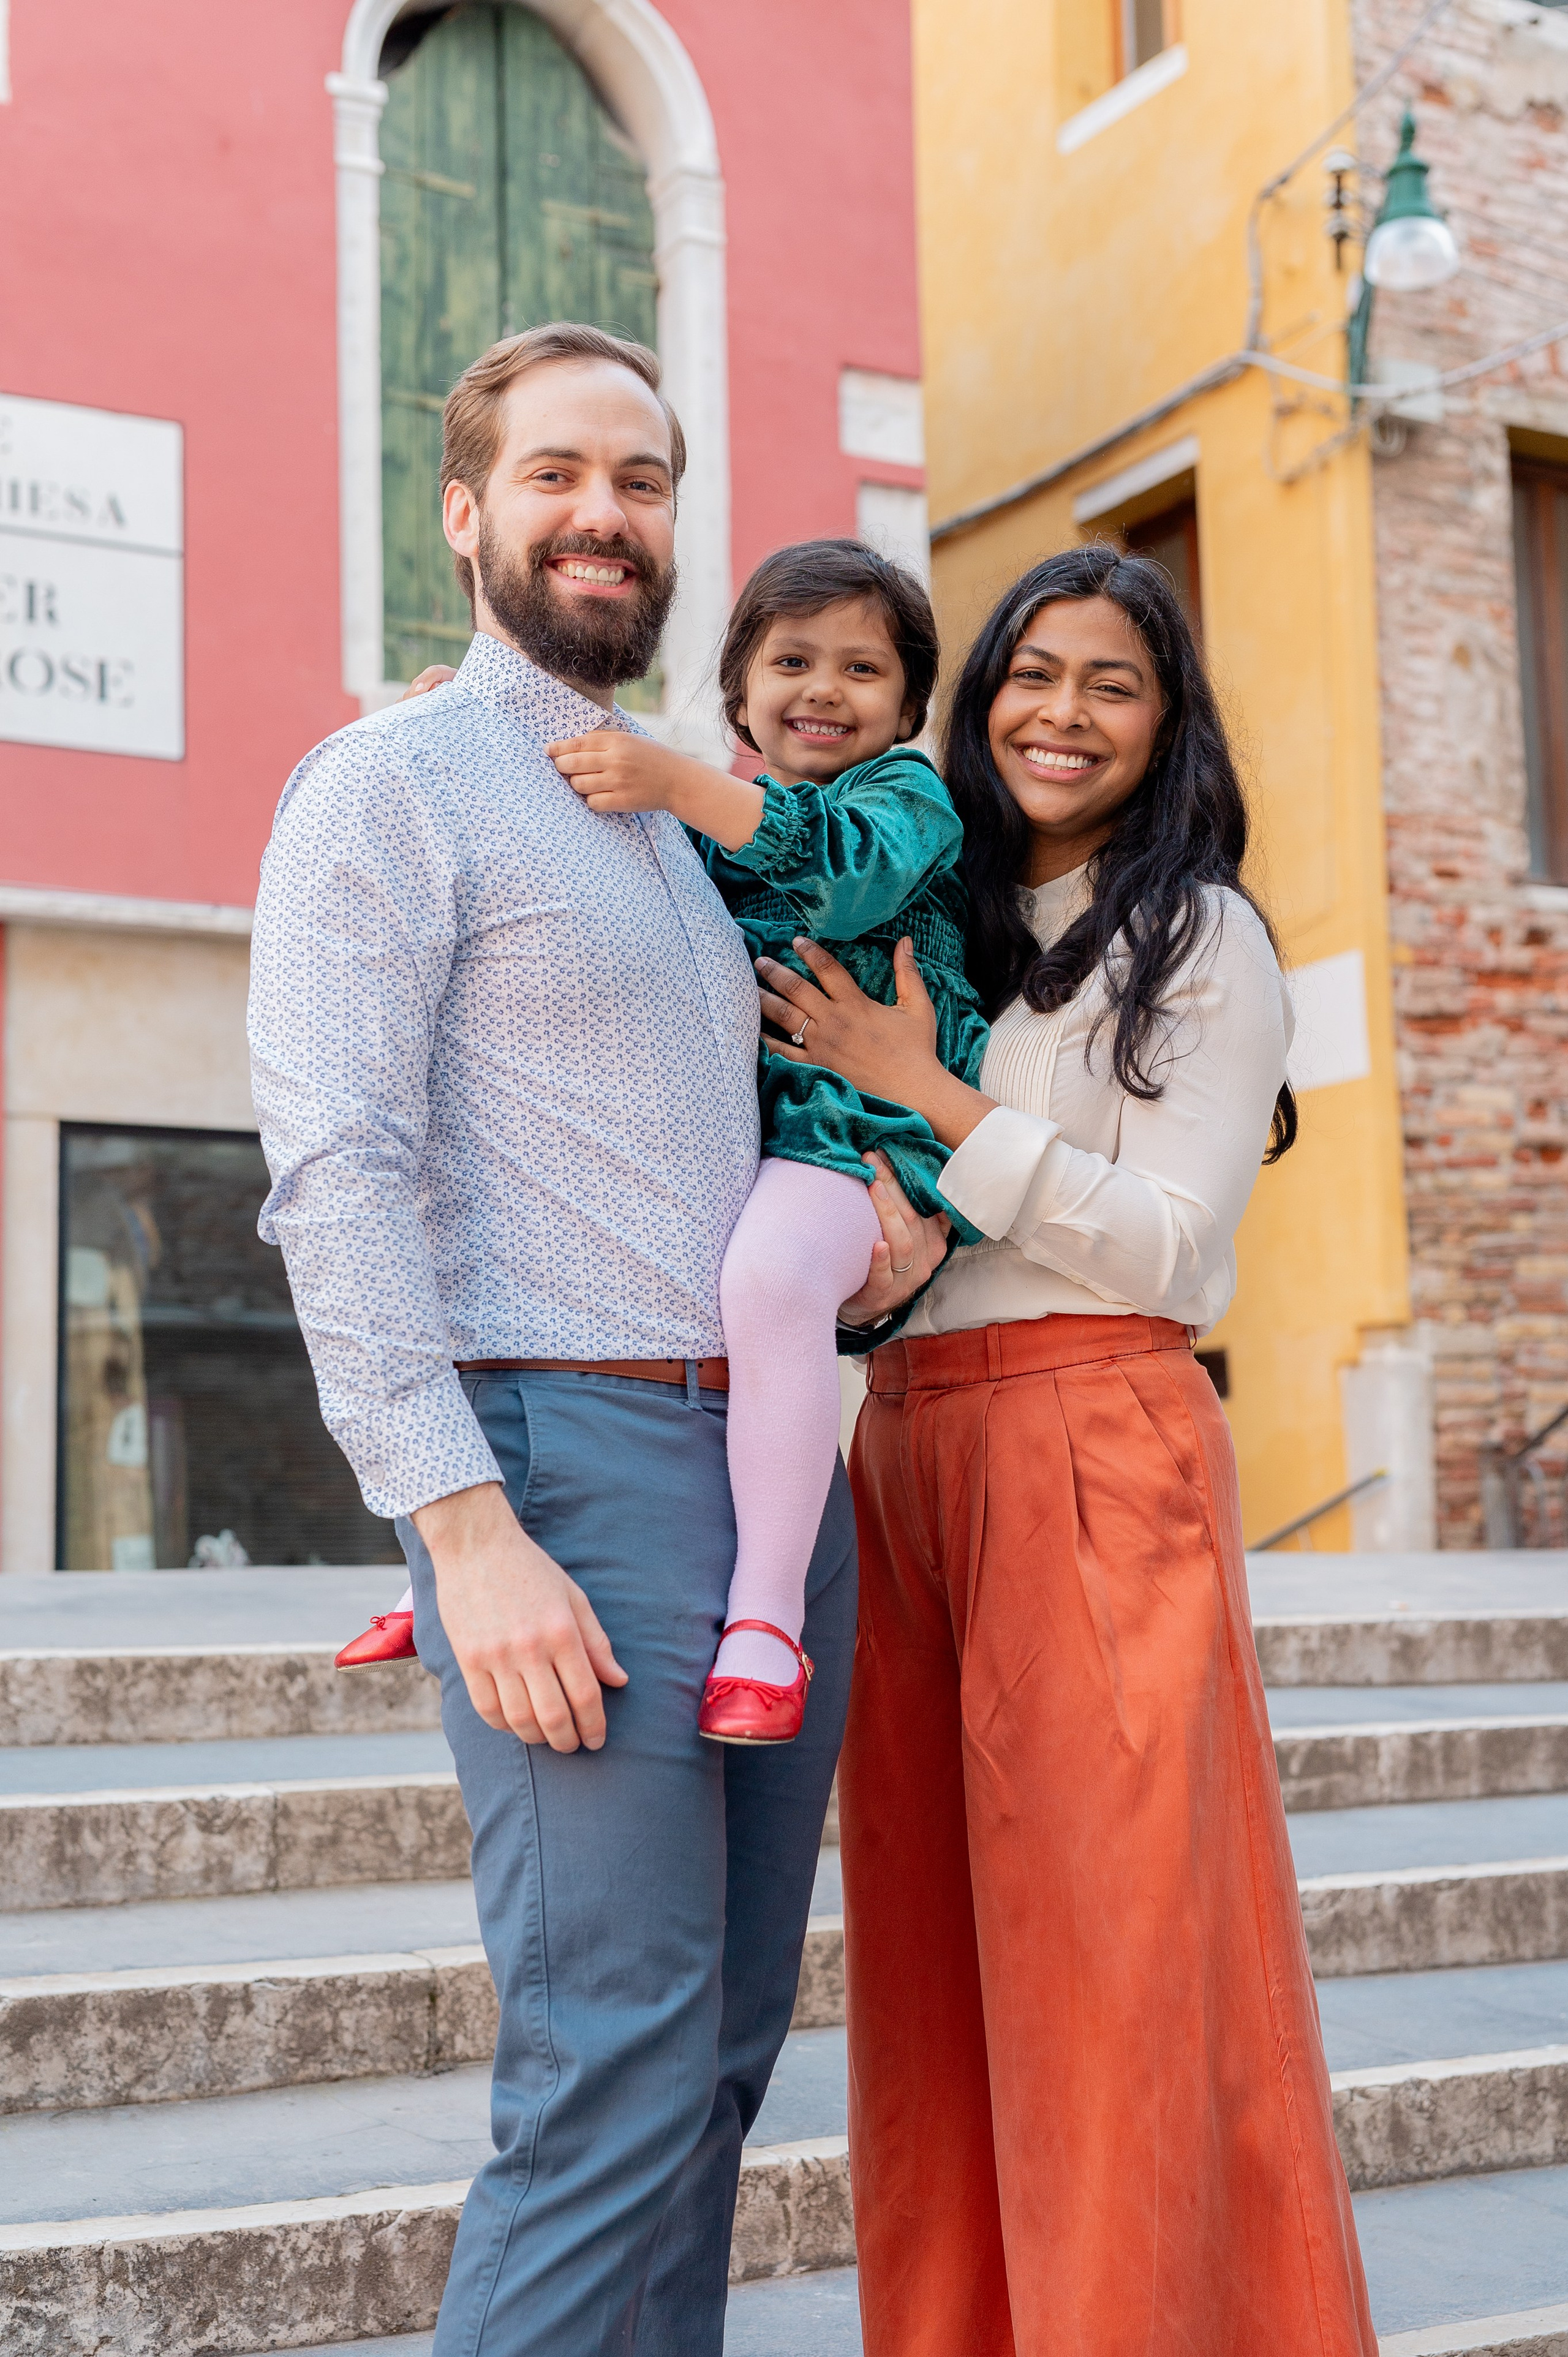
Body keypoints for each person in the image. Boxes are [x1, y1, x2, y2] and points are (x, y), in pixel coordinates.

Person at [247, 322, 945, 2357]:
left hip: (763, 1480)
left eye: (639, 480)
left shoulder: (685, 825)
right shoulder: (389, 781)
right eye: (557, 474)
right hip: (562, 1466)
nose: (603, 515)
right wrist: (463, 1530)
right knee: (611, 2072)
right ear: (466, 513)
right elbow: (336, 1172)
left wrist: (875, 1246)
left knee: (715, 2070)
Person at [754, 545, 1379, 2356]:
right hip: (910, 1451)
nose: (1063, 714)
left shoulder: (1202, 935)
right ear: (981, 696)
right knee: (933, 1976)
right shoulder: (936, 917)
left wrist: (936, 1102)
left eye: (1114, 684)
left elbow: (1180, 1248)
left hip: (1097, 1436)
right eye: (1033, 674)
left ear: (1168, 723)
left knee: (1113, 1970)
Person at [336, 541, 984, 1752]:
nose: (825, 689)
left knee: (769, 1280)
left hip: (863, 1144)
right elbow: (587, 856)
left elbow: (841, 877)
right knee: (516, 1245)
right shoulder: (699, 830)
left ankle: (766, 1618)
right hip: (741, 1150)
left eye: (862, 668)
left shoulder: (907, 802)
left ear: (907, 706)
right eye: (791, 660)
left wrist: (679, 778)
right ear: (739, 689)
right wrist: (461, 739)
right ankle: (444, 1568)